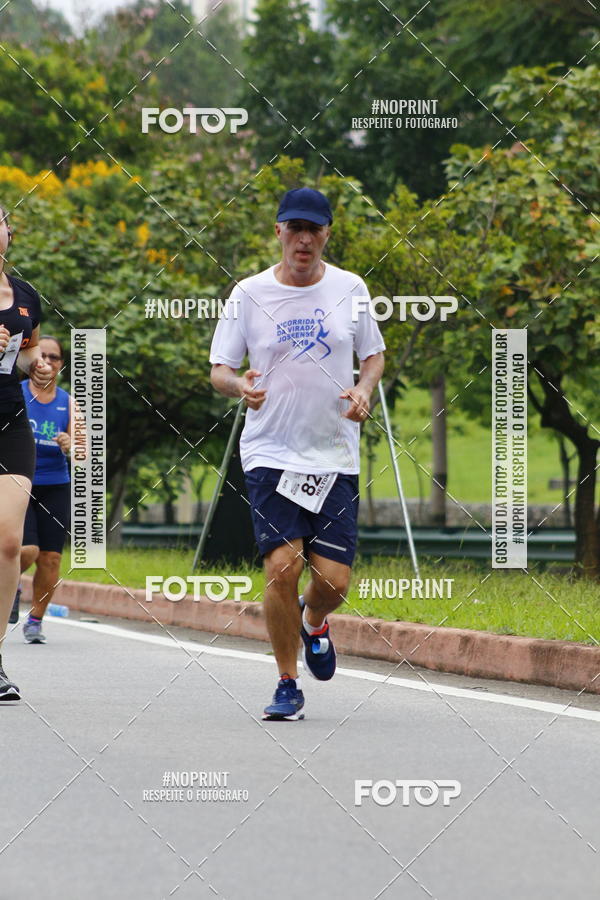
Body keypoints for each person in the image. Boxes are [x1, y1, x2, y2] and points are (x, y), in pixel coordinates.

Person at [210, 187, 385, 720]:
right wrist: (240, 386)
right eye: (295, 228)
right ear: (278, 230)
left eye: (315, 229)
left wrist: (365, 390)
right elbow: (218, 369)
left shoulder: (351, 288)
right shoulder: (248, 293)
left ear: (328, 234)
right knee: (281, 568)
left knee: (333, 581)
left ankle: (314, 621)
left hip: (332, 454)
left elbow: (373, 356)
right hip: (269, 451)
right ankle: (287, 682)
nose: (304, 239)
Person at [0, 204, 52, 700]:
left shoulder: (26, 296)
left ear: (7, 233)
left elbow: (29, 353)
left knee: (10, 544)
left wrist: (34, 367)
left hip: (10, 421)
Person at [9, 335, 72, 644]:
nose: (47, 361)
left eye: (54, 357)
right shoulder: (15, 395)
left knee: (50, 559)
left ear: (61, 364)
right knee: (25, 550)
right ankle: (11, 587)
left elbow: (85, 451)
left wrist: (71, 446)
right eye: (41, 355)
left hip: (56, 486)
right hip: (20, 482)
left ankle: (35, 620)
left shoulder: (68, 402)